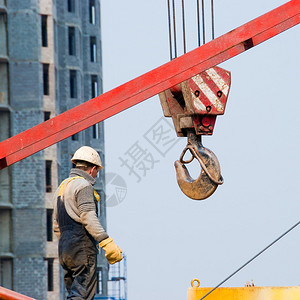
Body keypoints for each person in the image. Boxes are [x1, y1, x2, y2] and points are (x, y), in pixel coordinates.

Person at [53, 146, 123, 299]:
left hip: (64, 249)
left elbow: (56, 225)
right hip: (82, 246)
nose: (97, 175)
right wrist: (106, 242)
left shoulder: (61, 188)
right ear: (92, 169)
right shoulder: (83, 186)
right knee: (82, 295)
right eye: (97, 171)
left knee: (73, 294)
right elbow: (88, 217)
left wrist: (68, 243)